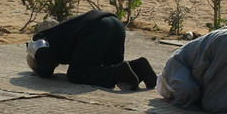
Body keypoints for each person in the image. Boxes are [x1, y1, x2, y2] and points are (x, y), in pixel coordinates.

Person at [26, 10, 157, 91]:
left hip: (97, 27)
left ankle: (118, 72)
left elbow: (46, 70)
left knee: (76, 74)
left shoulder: (39, 39)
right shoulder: (57, 37)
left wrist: (39, 70)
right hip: (115, 24)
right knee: (110, 66)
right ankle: (139, 67)